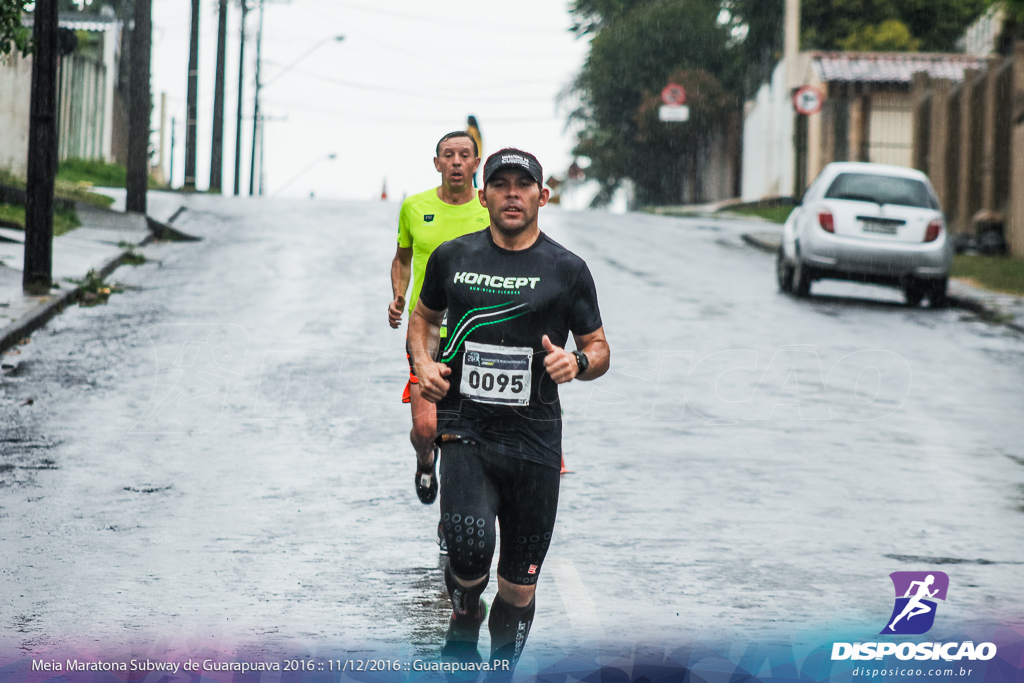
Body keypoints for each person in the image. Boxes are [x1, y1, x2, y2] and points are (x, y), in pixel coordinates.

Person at [408, 148, 610, 670]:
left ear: (543, 196)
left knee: (519, 586)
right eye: (501, 185)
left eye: (524, 185)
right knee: (470, 557)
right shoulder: (454, 257)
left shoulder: (568, 269)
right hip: (466, 431)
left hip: (535, 443)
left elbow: (600, 346)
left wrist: (578, 361)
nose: (512, 193)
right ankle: (462, 621)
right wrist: (423, 363)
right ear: (484, 196)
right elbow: (423, 319)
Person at [389, 132, 489, 518]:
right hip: (426, 331)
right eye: (449, 155)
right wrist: (399, 295)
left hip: (474, 334)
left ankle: (452, 517)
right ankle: (425, 460)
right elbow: (401, 258)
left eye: (465, 155)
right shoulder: (415, 207)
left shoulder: (488, 210)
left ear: (476, 163)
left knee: (464, 432)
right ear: (437, 163)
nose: (457, 162)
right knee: (427, 429)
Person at [466, 116, 483, 188]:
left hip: (471, 155)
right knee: (474, 175)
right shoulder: (477, 131)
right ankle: (475, 190)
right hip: (479, 155)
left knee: (468, 175)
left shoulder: (470, 130)